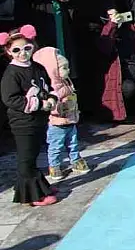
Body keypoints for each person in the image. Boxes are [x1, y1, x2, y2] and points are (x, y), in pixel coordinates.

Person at [1, 25, 58, 206]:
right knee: (26, 158)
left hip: (38, 120)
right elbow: (10, 99)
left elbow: (48, 86)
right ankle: (33, 196)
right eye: (16, 50)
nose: (22, 53)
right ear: (9, 51)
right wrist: (39, 104)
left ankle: (38, 187)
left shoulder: (37, 67)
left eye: (27, 48)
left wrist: (51, 98)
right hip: (22, 122)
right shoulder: (11, 73)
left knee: (33, 154)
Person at [32, 46, 91, 180]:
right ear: (53, 70)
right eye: (64, 68)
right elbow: (50, 106)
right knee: (55, 146)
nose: (68, 70)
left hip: (71, 121)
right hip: (57, 124)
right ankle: (54, 166)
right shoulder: (52, 88)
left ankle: (76, 160)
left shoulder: (67, 83)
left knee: (73, 143)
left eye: (67, 67)